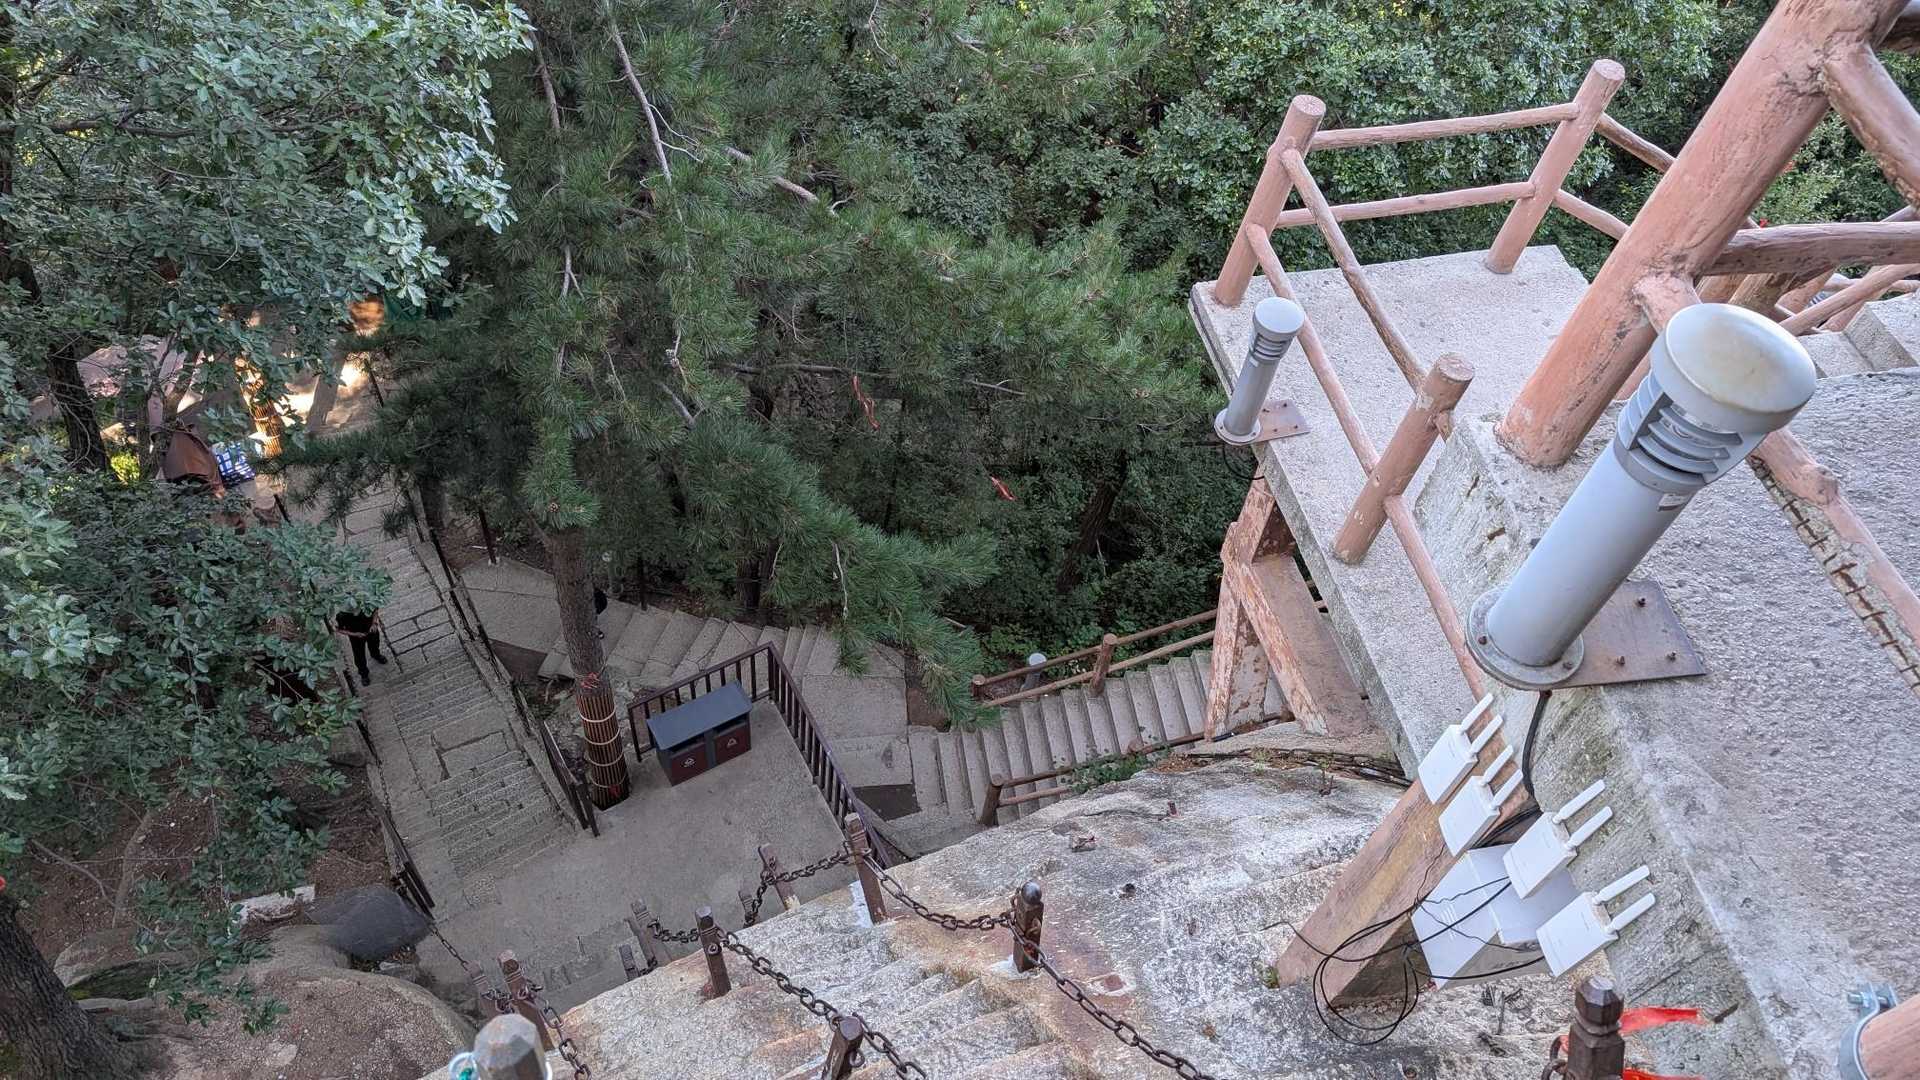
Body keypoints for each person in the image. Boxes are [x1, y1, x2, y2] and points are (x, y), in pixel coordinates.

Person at [336, 607, 389, 685]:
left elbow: (375, 610)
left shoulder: (365, 603)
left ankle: (376, 655)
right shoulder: (342, 615)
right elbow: (339, 629)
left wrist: (374, 623)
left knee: (375, 645)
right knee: (359, 656)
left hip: (371, 630)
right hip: (356, 638)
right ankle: (364, 674)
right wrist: (355, 634)